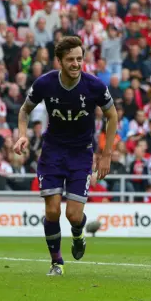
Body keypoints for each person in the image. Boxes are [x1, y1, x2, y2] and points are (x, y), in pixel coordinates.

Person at [13, 36, 118, 276]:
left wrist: (106, 154)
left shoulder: (94, 86)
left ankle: (79, 233)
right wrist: (22, 135)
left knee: (73, 215)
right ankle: (57, 262)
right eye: (70, 59)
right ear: (59, 61)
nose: (76, 63)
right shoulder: (45, 84)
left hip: (81, 154)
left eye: (79, 58)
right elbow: (24, 111)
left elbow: (112, 115)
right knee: (52, 211)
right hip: (52, 152)